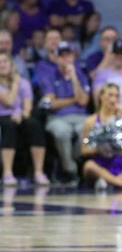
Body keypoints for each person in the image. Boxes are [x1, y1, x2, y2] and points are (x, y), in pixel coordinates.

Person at [40, 42, 90, 182]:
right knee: (62, 131)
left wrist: (73, 77)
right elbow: (51, 103)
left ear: (73, 57)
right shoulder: (49, 76)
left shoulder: (80, 75)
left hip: (80, 116)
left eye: (68, 55)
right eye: (62, 56)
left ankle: (76, 161)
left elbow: (83, 101)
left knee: (87, 128)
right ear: (56, 58)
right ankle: (69, 168)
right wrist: (73, 99)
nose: (66, 59)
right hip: (57, 117)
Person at [0, 52, 48, 186]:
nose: (2, 65)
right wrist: (15, 84)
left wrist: (22, 115)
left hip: (20, 115)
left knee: (35, 125)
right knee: (8, 126)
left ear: (11, 64)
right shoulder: (17, 82)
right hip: (2, 116)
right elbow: (9, 101)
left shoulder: (24, 83)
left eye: (5, 61)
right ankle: (7, 173)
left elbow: (28, 107)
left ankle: (39, 172)